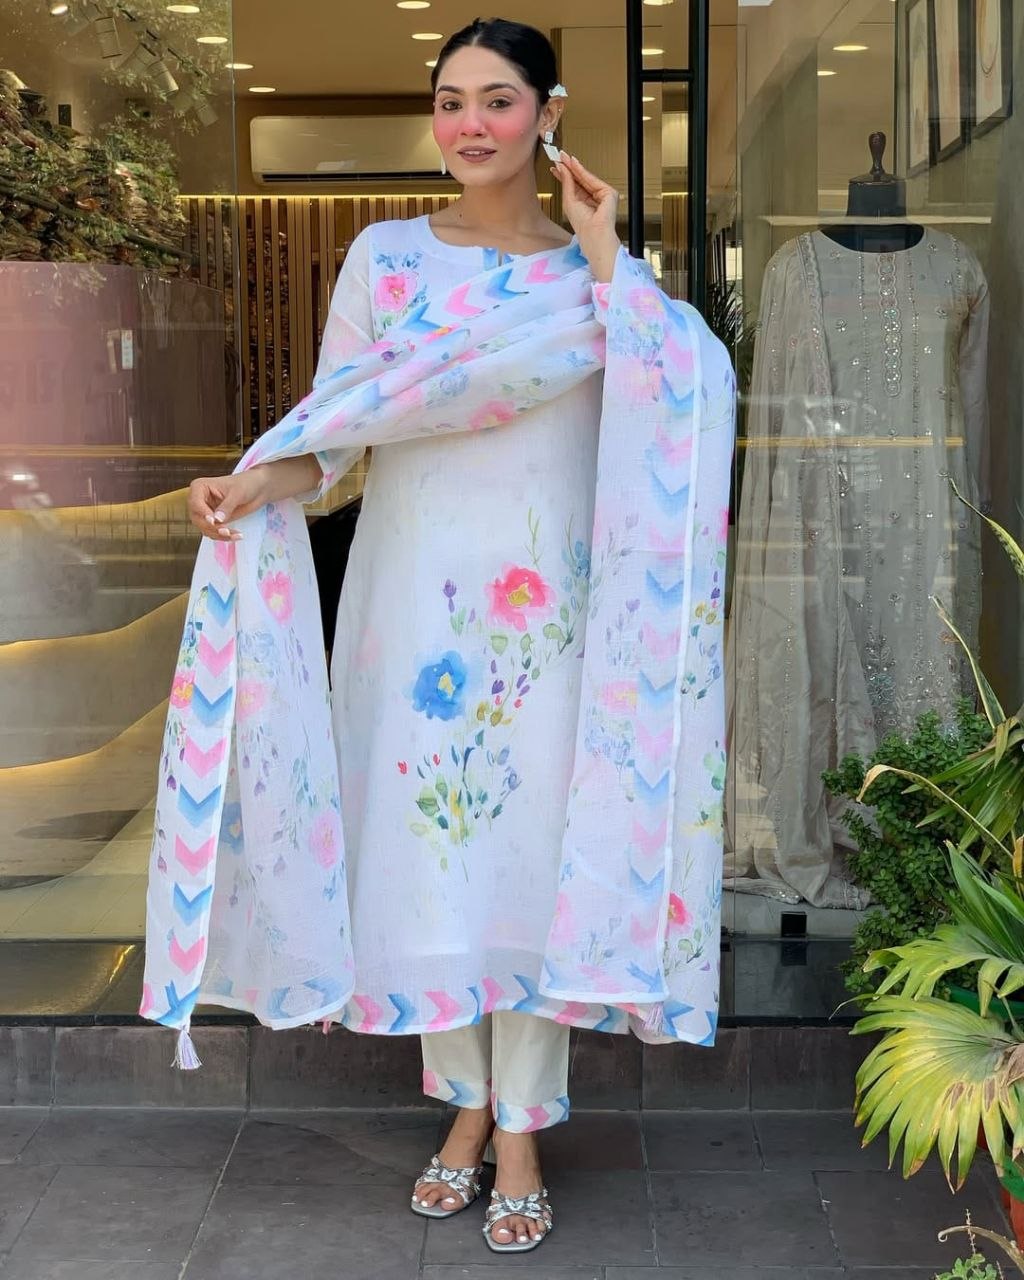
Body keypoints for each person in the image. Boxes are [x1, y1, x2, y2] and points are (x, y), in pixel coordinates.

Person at [145, 17, 734, 1256]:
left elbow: (680, 395)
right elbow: (337, 435)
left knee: (531, 861)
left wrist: (605, 252)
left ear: (548, 114)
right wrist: (252, 483)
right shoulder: (387, 259)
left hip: (550, 623)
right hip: (412, 617)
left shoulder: (594, 283)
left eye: (498, 99)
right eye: (452, 100)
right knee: (431, 860)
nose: (471, 123)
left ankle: (519, 1131)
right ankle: (464, 1106)